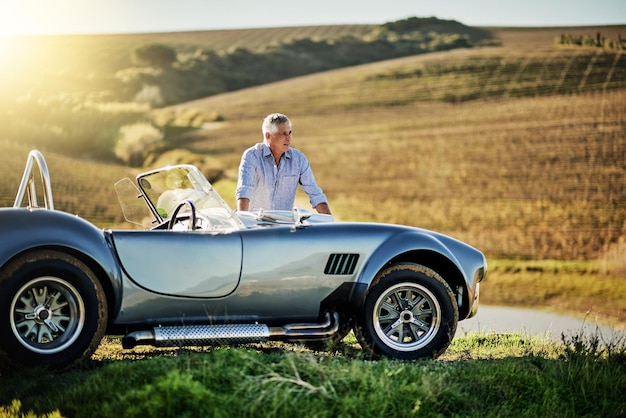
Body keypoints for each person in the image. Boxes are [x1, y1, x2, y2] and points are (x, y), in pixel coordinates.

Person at [235, 113, 331, 215]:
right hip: (254, 225)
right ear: (268, 136)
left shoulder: (299, 160)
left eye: (289, 133)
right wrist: (243, 219)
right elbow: (245, 190)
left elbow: (315, 194)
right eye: (283, 134)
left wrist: (331, 225)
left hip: (283, 227)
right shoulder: (251, 156)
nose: (288, 138)